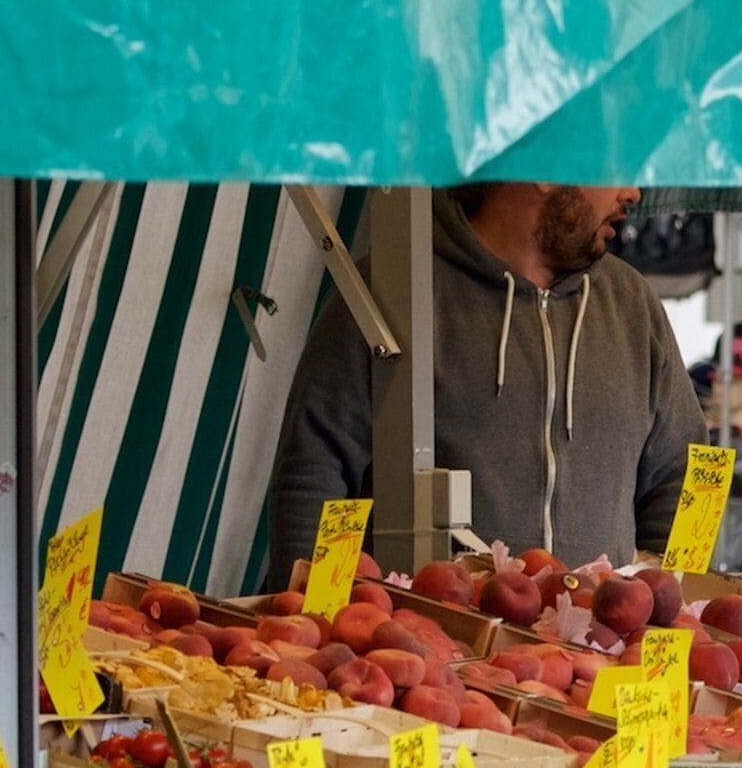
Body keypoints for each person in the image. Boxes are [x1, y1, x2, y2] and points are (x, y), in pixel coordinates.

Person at [265, 183, 706, 583]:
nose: (633, 192)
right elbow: (314, 474)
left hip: (596, 655)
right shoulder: (393, 290)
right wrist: (321, 616)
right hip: (424, 653)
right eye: (613, 168)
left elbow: (687, 472)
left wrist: (667, 604)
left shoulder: (633, 304)